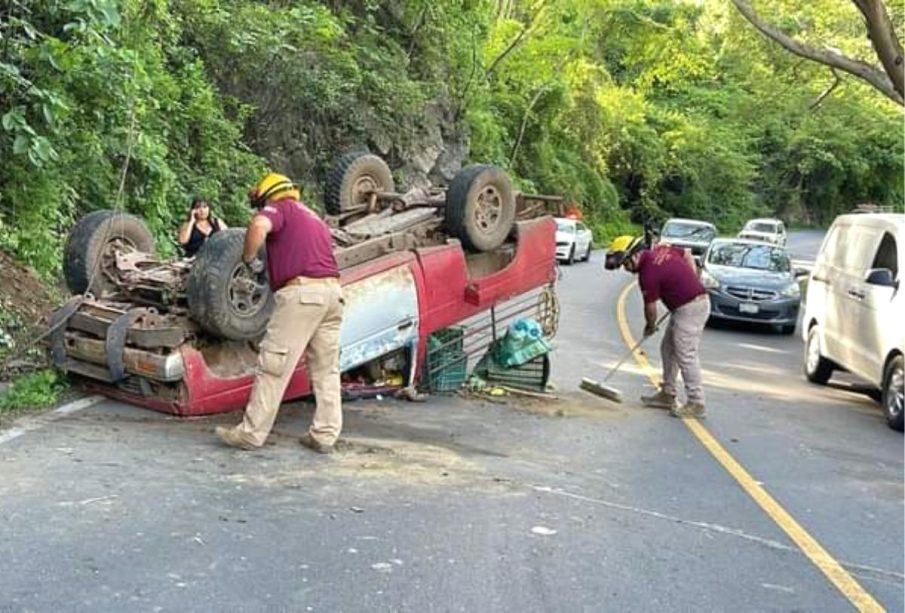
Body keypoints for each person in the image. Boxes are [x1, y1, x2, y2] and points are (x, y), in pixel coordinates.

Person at [215, 172, 344, 453]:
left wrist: (250, 261)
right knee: (326, 369)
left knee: (274, 364)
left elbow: (259, 226)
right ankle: (325, 434)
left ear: (267, 194)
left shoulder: (279, 207)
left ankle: (250, 433)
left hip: (302, 294)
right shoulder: (313, 217)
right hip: (334, 295)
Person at [605, 235, 709, 418]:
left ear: (635, 255)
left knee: (685, 354)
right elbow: (686, 253)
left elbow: (650, 307)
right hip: (684, 306)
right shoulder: (661, 250)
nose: (626, 269)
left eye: (626, 263)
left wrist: (650, 326)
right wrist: (692, 278)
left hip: (692, 307)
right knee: (668, 349)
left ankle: (696, 402)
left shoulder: (647, 275)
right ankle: (667, 394)